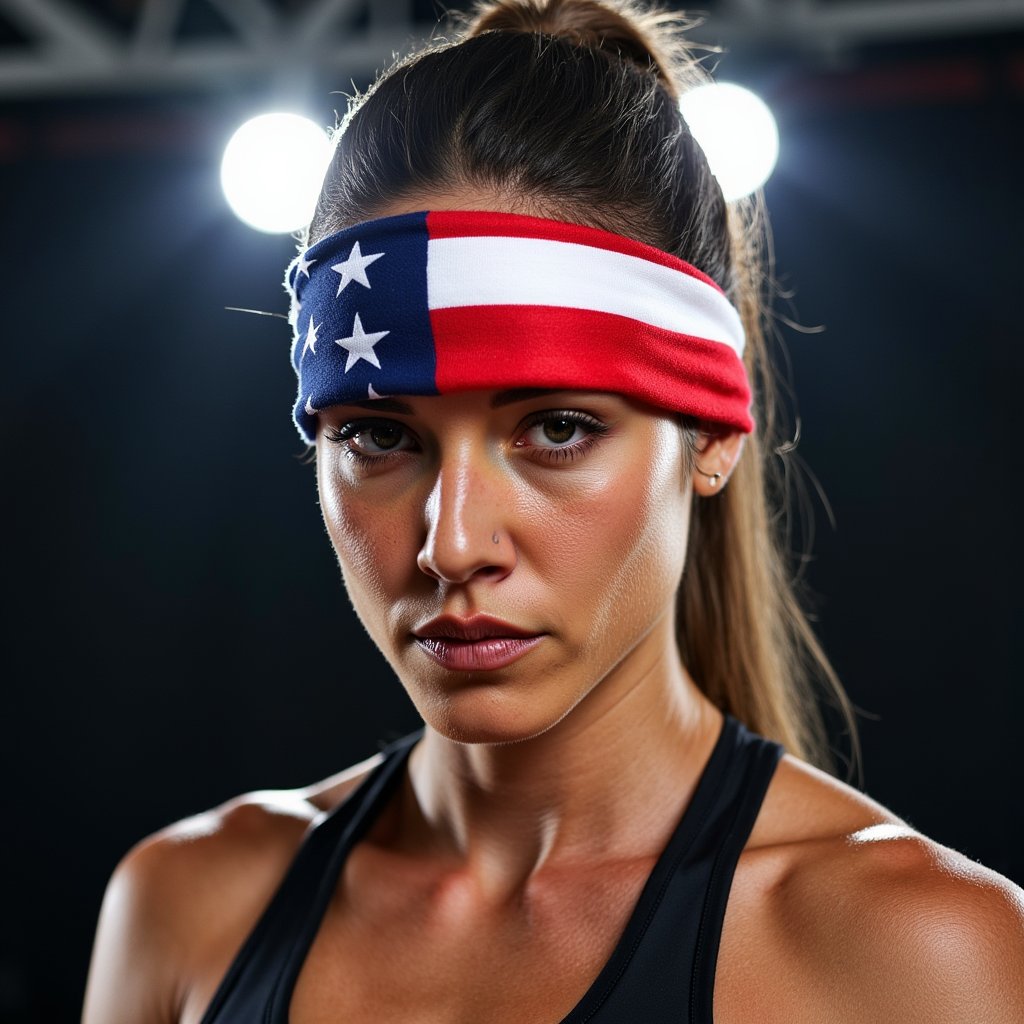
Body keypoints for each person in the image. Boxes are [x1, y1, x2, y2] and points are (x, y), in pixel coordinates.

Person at [82, 0, 1024, 1021]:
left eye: (558, 428)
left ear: (710, 435)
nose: (451, 544)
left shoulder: (918, 959)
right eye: (379, 436)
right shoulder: (188, 908)